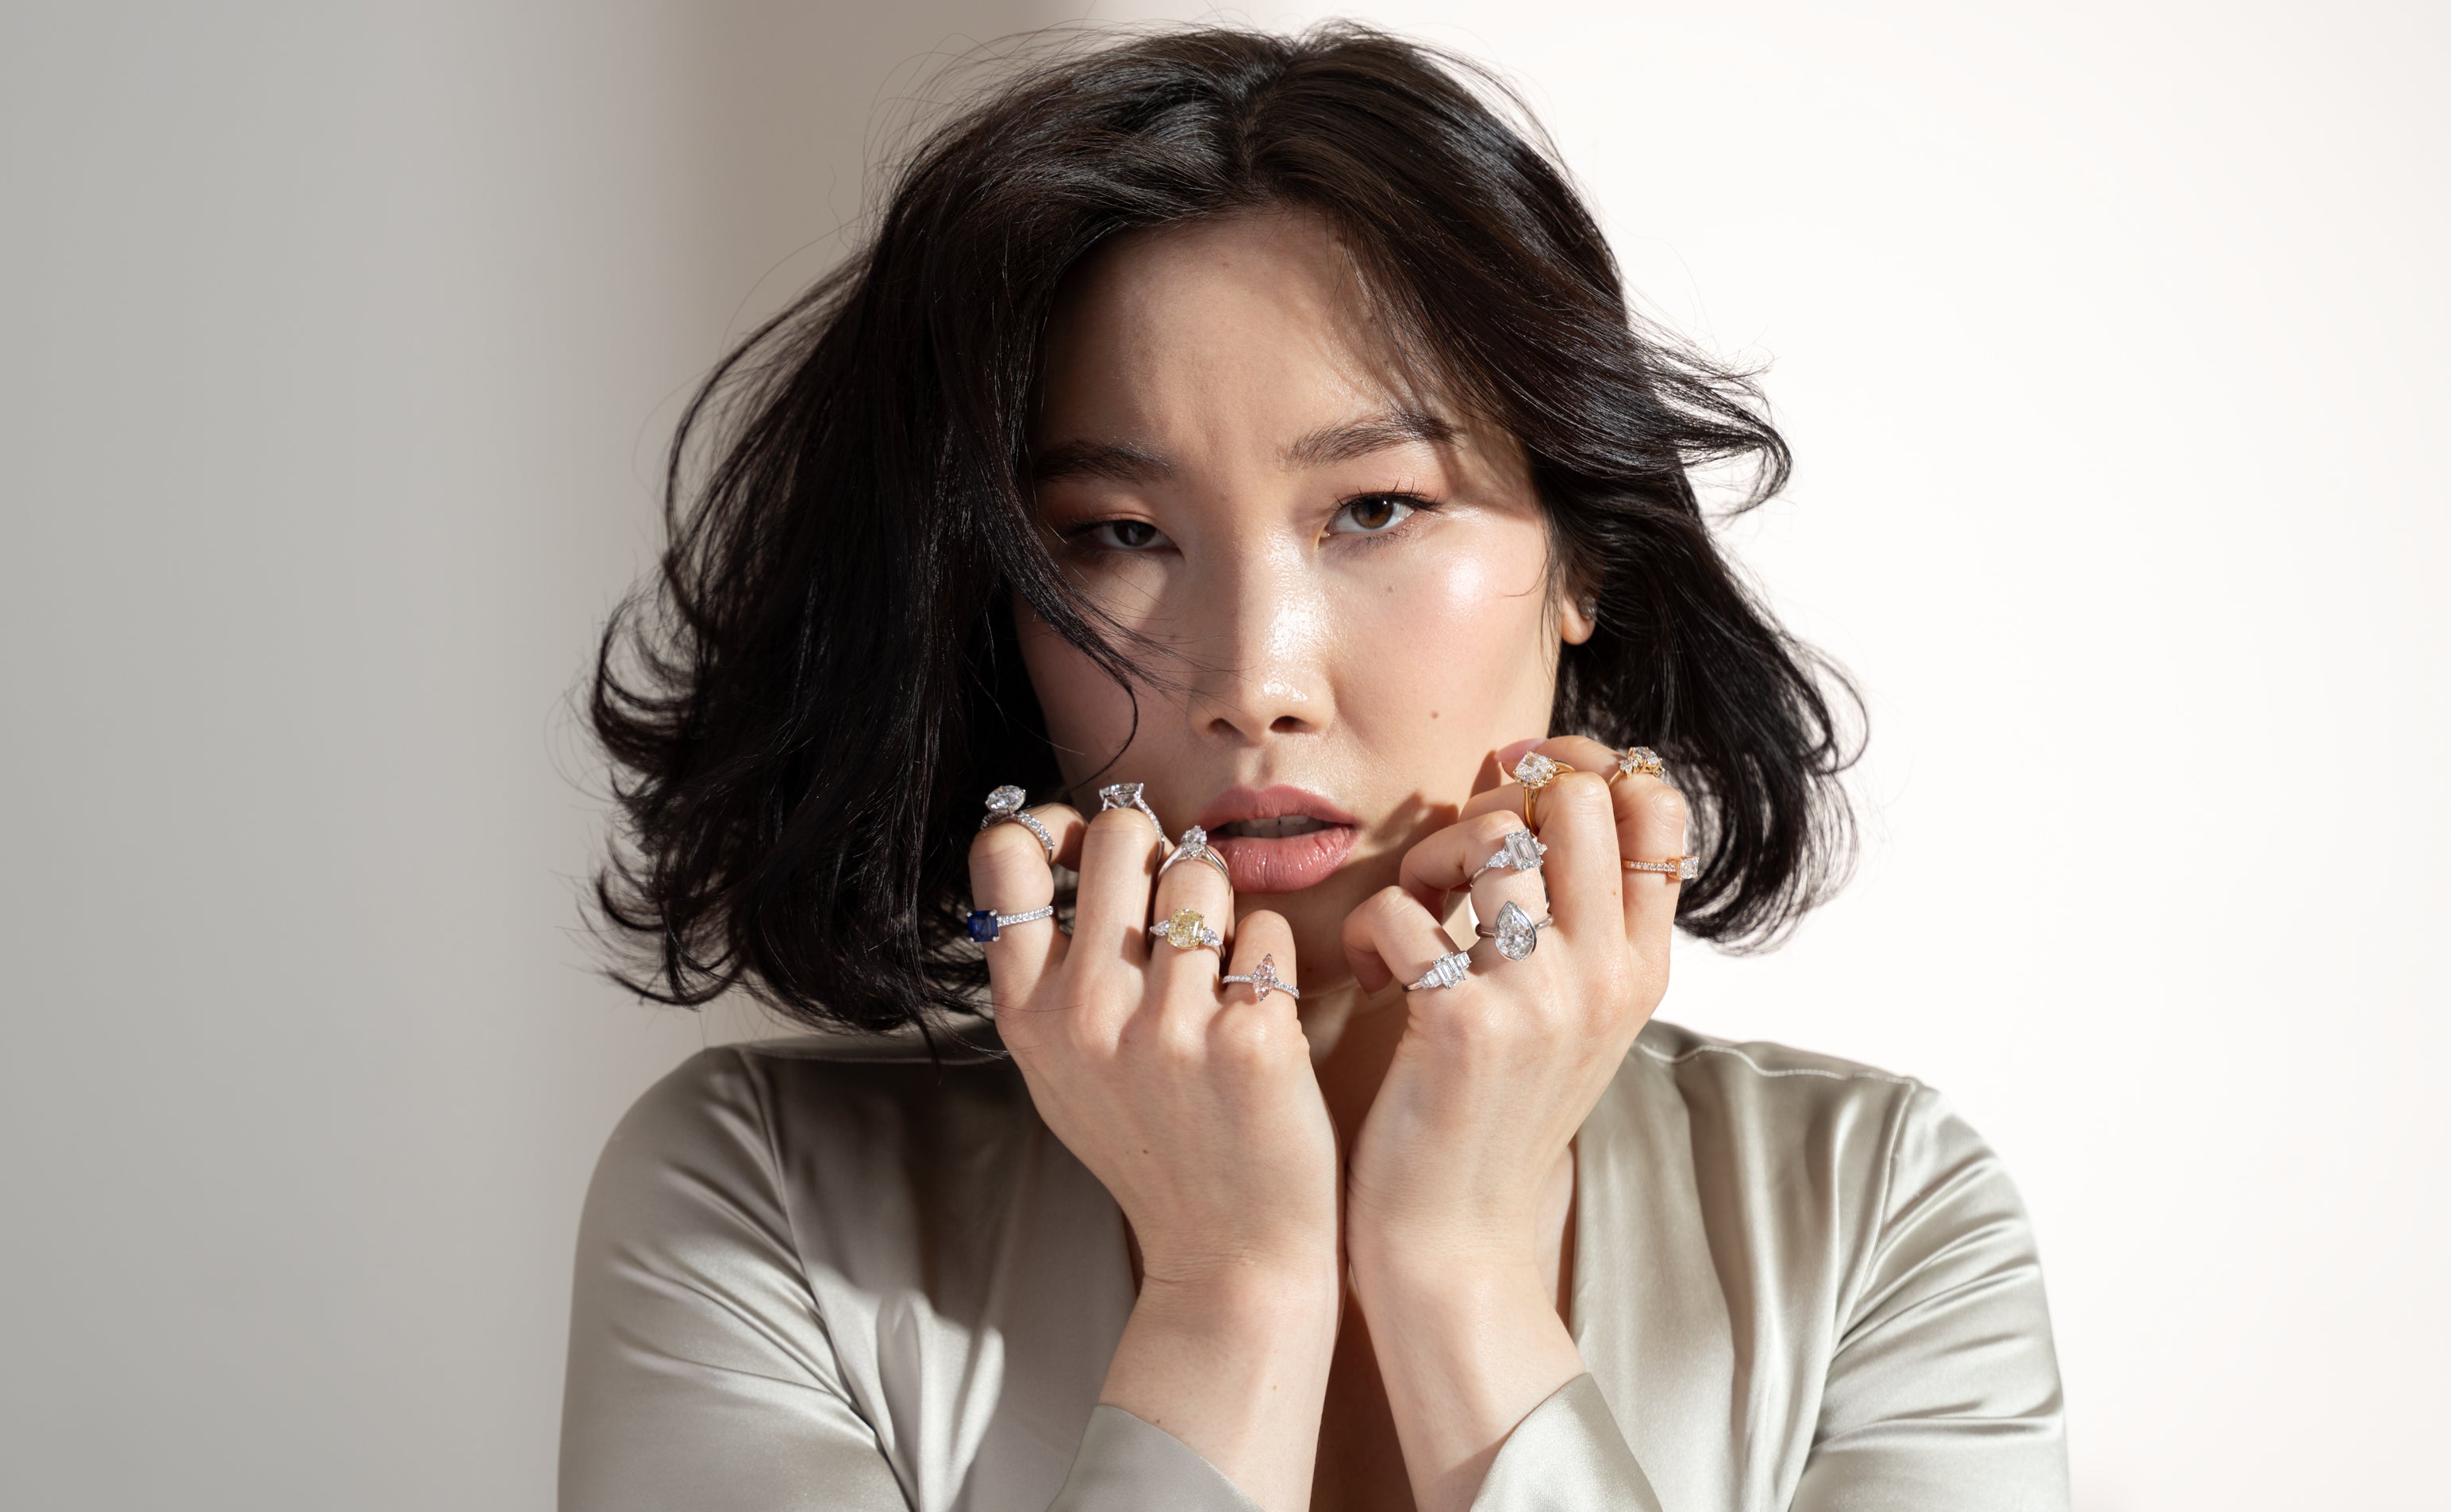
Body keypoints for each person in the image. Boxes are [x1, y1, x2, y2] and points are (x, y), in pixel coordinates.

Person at [558, 23, 2066, 1512]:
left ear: (1582, 554)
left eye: (1376, 510)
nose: (1257, 684)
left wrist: (1458, 1279)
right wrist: (1233, 1292)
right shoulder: (755, 1198)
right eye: (1116, 533)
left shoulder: (1875, 1215)